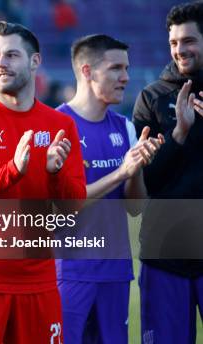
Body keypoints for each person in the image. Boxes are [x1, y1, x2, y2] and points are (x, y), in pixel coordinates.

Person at [0, 21, 86, 343]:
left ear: (35, 62)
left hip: (39, 283)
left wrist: (55, 174)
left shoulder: (60, 125)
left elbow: (74, 204)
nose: (1, 64)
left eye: (11, 55)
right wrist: (13, 170)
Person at [55, 34, 163, 343]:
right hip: (69, 272)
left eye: (126, 68)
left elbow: (134, 207)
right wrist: (121, 172)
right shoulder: (56, 125)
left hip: (115, 272)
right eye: (116, 68)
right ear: (87, 71)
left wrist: (137, 169)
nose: (125, 77)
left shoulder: (125, 127)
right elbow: (62, 205)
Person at [132, 2, 203, 343]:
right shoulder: (152, 98)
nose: (180, 50)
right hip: (166, 254)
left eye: (188, 41)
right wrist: (178, 134)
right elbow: (145, 182)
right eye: (174, 43)